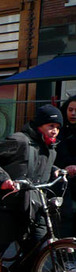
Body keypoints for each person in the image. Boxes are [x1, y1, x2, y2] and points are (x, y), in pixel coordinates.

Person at [0, 104, 63, 272]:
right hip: (6, 207)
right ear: (40, 125)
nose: (55, 130)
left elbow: (38, 168)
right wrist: (3, 180)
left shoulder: (50, 148)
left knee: (38, 249)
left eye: (58, 127)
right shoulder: (19, 141)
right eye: (51, 125)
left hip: (31, 208)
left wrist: (56, 170)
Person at [55, 95, 76, 236]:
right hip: (64, 181)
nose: (73, 113)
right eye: (70, 109)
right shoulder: (60, 131)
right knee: (66, 215)